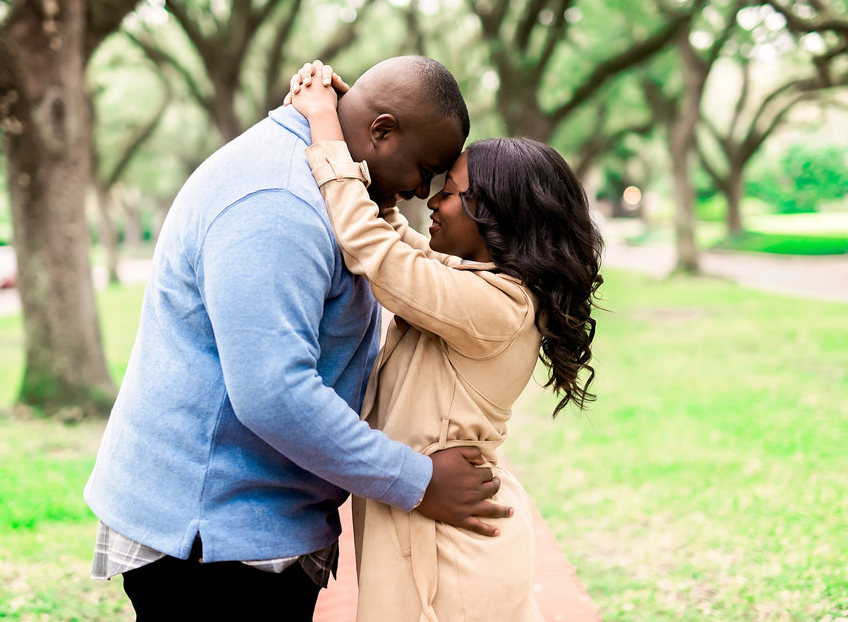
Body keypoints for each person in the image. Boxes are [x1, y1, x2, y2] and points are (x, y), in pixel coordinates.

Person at [83, 55, 511, 620]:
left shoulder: (324, 180)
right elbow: (273, 393)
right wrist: (420, 481)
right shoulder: (279, 200)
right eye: (425, 168)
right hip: (213, 542)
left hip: (247, 527)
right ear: (381, 131)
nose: (420, 192)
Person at [286, 60, 604, 621]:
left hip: (454, 551)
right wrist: (358, 117)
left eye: (451, 191)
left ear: (497, 216)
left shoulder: (497, 307)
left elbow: (378, 254)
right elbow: (398, 240)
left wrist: (326, 129)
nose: (429, 198)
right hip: (432, 525)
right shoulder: (476, 287)